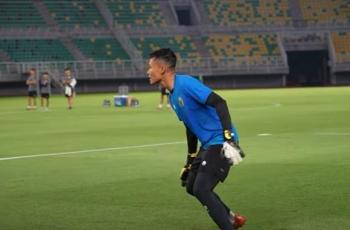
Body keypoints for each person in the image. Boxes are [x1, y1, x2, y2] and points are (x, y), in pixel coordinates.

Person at [147, 48, 247, 230]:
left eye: (150, 67)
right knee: (191, 186)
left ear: (162, 69)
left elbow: (220, 102)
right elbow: (190, 127)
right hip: (208, 144)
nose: (148, 72)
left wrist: (229, 138)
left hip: (221, 141)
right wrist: (190, 160)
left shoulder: (186, 84)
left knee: (202, 188)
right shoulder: (172, 94)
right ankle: (231, 218)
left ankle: (229, 226)